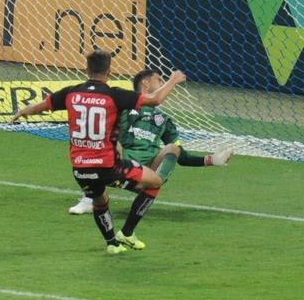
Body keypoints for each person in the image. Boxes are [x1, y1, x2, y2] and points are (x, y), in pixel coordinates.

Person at [12, 49, 185, 254]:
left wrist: (23, 111)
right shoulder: (115, 95)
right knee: (154, 182)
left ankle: (112, 244)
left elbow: (42, 106)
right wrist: (173, 80)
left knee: (100, 200)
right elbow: (155, 99)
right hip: (108, 166)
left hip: (79, 168)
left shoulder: (71, 92)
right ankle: (127, 233)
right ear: (109, 72)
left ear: (87, 70)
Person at [68, 68, 233, 215]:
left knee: (172, 148)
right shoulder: (123, 107)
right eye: (159, 79)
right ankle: (90, 197)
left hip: (147, 172)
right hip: (119, 168)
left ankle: (150, 190)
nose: (162, 82)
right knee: (112, 142)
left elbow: (181, 156)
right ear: (145, 83)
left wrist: (211, 160)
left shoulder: (164, 120)